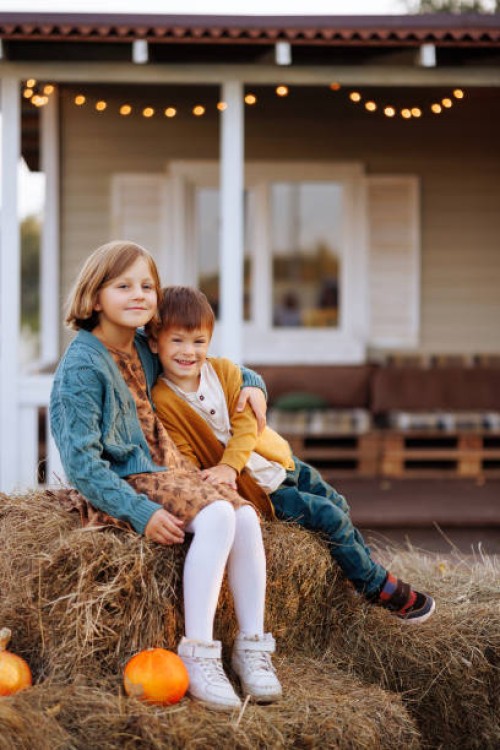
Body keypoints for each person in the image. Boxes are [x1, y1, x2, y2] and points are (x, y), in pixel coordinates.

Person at [49, 241, 282, 711]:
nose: (139, 295)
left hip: (171, 471)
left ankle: (252, 648)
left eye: (147, 285)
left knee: (246, 520)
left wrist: (253, 387)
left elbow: (214, 364)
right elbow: (83, 465)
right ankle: (197, 653)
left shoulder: (143, 345)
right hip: (128, 481)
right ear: (95, 298)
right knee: (218, 517)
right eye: (124, 286)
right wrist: (140, 513)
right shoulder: (81, 367)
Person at [151, 286, 436, 625]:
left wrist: (231, 462)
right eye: (177, 341)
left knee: (338, 504)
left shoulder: (224, 372)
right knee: (328, 516)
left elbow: (248, 423)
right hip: (261, 488)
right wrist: (226, 471)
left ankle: (352, 574)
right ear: (155, 343)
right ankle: (376, 586)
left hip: (281, 463)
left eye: (198, 341)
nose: (188, 351)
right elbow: (183, 453)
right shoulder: (164, 400)